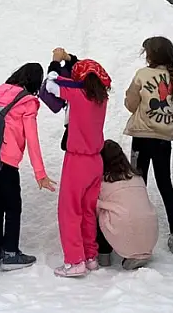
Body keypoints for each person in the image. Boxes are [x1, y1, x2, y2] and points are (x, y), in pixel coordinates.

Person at [0, 63, 56, 271]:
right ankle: (11, 253)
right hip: (7, 161)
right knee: (12, 207)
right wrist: (40, 173)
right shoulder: (27, 101)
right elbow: (32, 138)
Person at [43, 56, 111, 278]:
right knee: (88, 211)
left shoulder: (76, 95)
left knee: (69, 211)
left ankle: (74, 261)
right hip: (96, 161)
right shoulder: (102, 99)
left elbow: (50, 85)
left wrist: (55, 64)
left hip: (77, 161)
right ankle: (90, 257)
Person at [123, 36, 173, 255]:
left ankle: (135, 231)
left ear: (150, 55)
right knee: (165, 184)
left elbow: (130, 104)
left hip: (141, 138)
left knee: (137, 184)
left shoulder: (142, 75)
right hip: (164, 140)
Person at [96, 139, 157, 271]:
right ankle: (140, 250)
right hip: (150, 236)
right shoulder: (137, 177)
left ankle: (104, 254)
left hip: (124, 229)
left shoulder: (104, 182)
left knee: (101, 210)